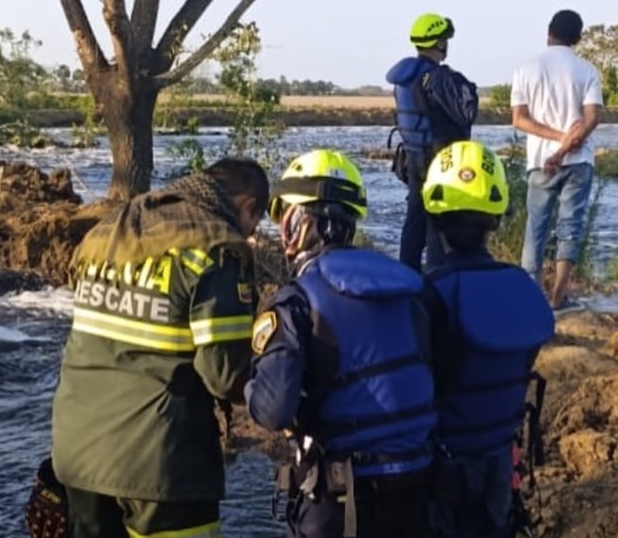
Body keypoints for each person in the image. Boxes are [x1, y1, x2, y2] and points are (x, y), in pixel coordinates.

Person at [49, 158, 269, 538]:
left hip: (77, 452)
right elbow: (225, 376)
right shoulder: (215, 246)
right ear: (249, 206)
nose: (251, 234)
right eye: (256, 222)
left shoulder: (112, 231)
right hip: (161, 464)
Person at [245, 149, 437, 538]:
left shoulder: (298, 300)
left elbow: (272, 411)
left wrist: (249, 383)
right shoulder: (407, 287)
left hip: (341, 500)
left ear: (297, 222)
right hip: (418, 487)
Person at [418, 140, 555, 538]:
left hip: (440, 469)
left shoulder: (429, 294)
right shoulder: (520, 286)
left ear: (433, 216)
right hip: (501, 463)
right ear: (495, 219)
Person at [510, 9, 604, 309]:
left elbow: (519, 120)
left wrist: (554, 142)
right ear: (578, 38)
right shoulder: (587, 71)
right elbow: (591, 119)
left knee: (535, 228)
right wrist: (566, 144)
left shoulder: (525, 69)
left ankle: (529, 298)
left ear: (548, 32)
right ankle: (559, 298)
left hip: (539, 160)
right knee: (570, 227)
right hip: (578, 162)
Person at [386, 12, 480, 273]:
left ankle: (407, 277)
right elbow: (465, 114)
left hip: (413, 160)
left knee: (413, 222)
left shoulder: (405, 78)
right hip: (440, 161)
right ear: (439, 43)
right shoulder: (437, 77)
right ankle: (438, 279)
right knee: (437, 223)